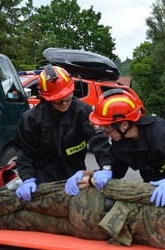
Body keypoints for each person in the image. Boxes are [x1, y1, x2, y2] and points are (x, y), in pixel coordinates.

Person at [0, 173, 165, 249]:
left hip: (89, 203)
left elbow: (128, 191)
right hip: (95, 232)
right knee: (22, 221)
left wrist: (92, 180)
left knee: (26, 198)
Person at [71, 88, 165, 212]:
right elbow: (116, 171)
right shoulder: (121, 143)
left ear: (123, 125)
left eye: (106, 128)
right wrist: (85, 175)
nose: (104, 133)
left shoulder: (162, 134)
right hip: (158, 197)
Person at [14, 64, 112, 201]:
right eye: (58, 102)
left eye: (68, 98)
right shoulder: (31, 119)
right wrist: (27, 179)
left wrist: (106, 167)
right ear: (46, 98)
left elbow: (98, 140)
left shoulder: (83, 112)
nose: (65, 104)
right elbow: (25, 153)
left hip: (74, 174)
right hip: (43, 174)